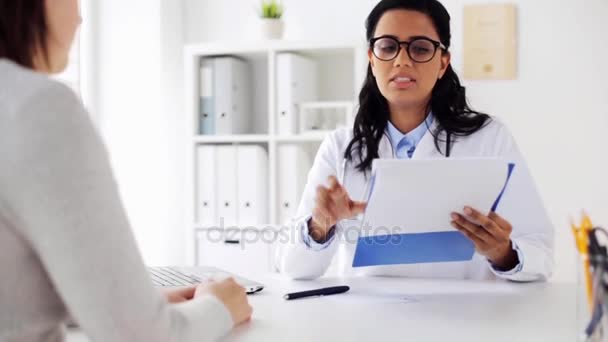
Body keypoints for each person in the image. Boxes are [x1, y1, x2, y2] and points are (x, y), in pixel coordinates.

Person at [0, 1, 251, 341]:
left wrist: (128, 304)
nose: (79, 17)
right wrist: (219, 306)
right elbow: (141, 337)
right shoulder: (38, 109)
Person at [278, 0, 554, 282]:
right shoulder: (340, 147)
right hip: (368, 321)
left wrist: (503, 252)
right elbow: (295, 269)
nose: (402, 60)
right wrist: (322, 223)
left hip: (465, 318)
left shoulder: (489, 138)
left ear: (443, 62)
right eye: (388, 47)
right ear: (372, 59)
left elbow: (541, 254)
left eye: (420, 48)